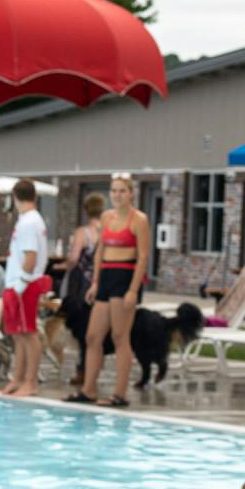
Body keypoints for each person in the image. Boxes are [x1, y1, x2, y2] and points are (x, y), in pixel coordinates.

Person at [76, 173, 151, 407]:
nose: (117, 195)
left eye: (122, 191)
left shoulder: (139, 219)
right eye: (114, 191)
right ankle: (88, 390)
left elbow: (143, 257)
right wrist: (95, 282)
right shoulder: (106, 218)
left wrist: (132, 290)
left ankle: (120, 393)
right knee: (93, 336)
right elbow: (99, 252)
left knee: (120, 336)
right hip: (106, 276)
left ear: (131, 193)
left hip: (125, 276)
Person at [0, 179, 50, 397]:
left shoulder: (30, 222)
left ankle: (31, 381)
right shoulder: (27, 220)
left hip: (24, 285)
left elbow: (31, 255)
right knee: (18, 334)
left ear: (14, 197)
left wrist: (21, 283)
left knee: (29, 333)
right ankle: (18, 378)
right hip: (17, 283)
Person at [59, 193, 105, 401]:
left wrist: (63, 266)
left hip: (82, 285)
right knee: (98, 331)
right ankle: (92, 369)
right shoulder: (105, 230)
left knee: (83, 331)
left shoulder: (83, 232)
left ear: (85, 210)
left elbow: (75, 258)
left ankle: (83, 370)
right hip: (101, 283)